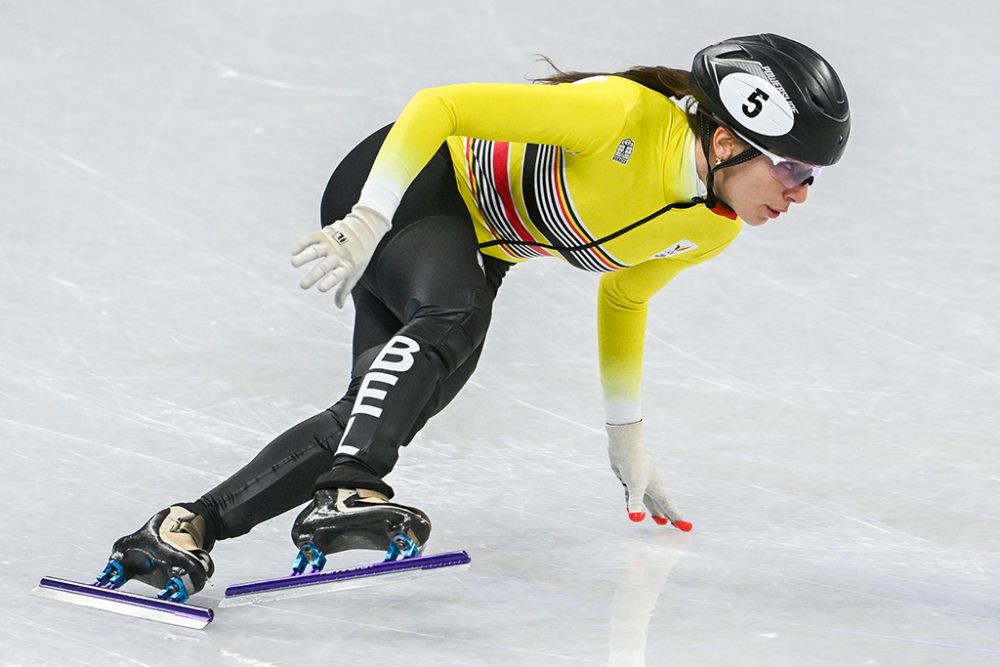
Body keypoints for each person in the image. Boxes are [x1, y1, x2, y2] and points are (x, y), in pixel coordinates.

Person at [105, 33, 851, 602]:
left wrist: (627, 437)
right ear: (726, 141)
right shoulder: (622, 116)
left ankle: (186, 525)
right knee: (449, 320)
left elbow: (624, 293)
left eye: (811, 177)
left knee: (376, 411)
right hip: (404, 186)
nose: (801, 193)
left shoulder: (712, 227)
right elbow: (441, 106)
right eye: (791, 169)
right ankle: (348, 488)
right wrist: (369, 217)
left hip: (471, 247)